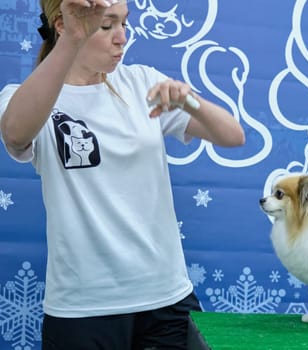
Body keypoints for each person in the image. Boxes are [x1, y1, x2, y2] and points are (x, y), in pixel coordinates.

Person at [0, 0, 245, 349]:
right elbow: (15, 133)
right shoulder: (27, 99)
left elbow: (232, 136)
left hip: (166, 301)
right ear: (62, 25)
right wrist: (72, 39)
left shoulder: (142, 83)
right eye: (106, 26)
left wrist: (189, 101)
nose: (122, 38)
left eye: (124, 24)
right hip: (81, 310)